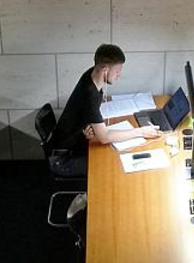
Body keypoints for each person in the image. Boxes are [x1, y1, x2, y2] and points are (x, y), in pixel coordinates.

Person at [48, 44, 160, 177]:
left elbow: (86, 114)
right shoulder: (89, 94)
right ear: (105, 70)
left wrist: (86, 127)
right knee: (114, 165)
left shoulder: (91, 75)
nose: (119, 75)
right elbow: (104, 138)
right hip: (64, 159)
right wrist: (141, 131)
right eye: (117, 71)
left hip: (76, 142)